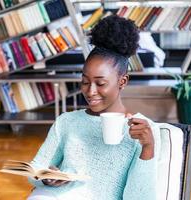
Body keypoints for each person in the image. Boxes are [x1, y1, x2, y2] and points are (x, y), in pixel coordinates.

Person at [27, 15, 160, 200]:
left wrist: (148, 149)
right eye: (85, 82)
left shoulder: (144, 132)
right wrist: (46, 177)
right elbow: (35, 168)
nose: (90, 91)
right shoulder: (67, 121)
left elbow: (141, 197)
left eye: (100, 83)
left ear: (122, 82)